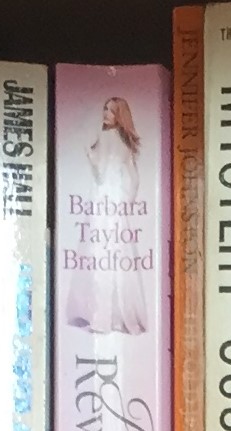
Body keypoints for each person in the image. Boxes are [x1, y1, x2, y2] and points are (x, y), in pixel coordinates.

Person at [65, 94, 152, 337]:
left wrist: (89, 154)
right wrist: (128, 202)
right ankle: (120, 316)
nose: (105, 114)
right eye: (105, 109)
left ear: (119, 116)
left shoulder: (105, 137)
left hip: (102, 203)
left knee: (99, 257)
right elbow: (134, 178)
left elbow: (100, 173)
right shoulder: (125, 142)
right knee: (118, 258)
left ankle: (101, 318)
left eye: (111, 111)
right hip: (117, 205)